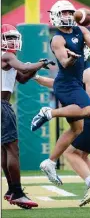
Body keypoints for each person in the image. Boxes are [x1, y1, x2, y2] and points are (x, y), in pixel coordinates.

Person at [31, 0, 90, 205]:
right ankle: (49, 113)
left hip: (71, 85)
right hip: (69, 86)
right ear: (56, 15)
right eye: (64, 12)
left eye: (70, 12)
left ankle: (50, 162)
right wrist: (70, 60)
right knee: (85, 113)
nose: (67, 15)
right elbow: (64, 63)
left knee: (76, 131)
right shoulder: (57, 39)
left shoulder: (81, 32)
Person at [1, 24, 55, 209]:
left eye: (14, 37)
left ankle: (11, 190)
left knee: (4, 149)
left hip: (3, 104)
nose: (12, 41)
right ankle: (17, 192)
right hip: (2, 105)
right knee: (12, 150)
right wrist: (42, 63)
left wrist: (35, 67)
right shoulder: (7, 56)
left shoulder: (8, 58)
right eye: (8, 38)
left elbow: (22, 77)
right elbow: (24, 66)